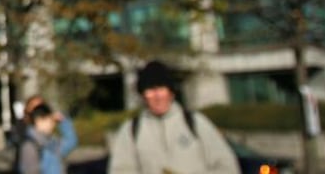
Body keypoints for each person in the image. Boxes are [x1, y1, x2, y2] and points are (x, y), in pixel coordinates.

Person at [108, 60, 239, 174]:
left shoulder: (195, 122)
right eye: (150, 90)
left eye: (161, 89)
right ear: (143, 95)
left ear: (171, 92)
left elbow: (228, 167)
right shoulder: (131, 130)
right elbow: (119, 170)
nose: (157, 96)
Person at [17, 103, 77, 174]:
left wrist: (63, 121)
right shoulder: (29, 146)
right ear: (39, 120)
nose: (53, 124)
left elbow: (71, 141)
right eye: (50, 120)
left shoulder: (51, 142)